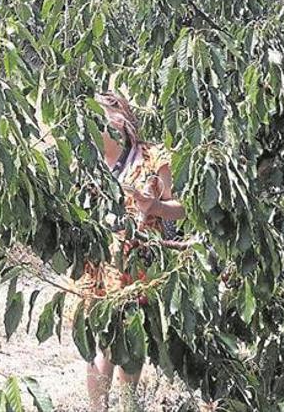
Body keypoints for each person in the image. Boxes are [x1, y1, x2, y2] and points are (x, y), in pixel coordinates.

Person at [82, 92, 186, 411]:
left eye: (108, 119)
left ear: (124, 122)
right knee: (100, 343)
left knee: (130, 345)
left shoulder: (153, 159)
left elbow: (182, 208)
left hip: (140, 265)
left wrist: (154, 207)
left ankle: (130, 407)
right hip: (97, 266)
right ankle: (98, 408)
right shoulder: (85, 161)